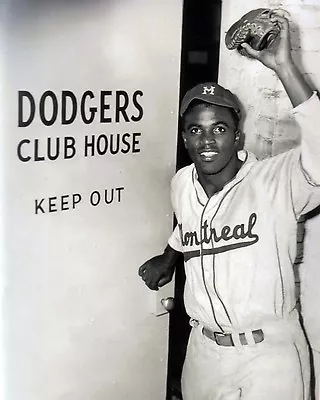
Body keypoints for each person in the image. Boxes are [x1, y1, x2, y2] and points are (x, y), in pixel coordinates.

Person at [138, 13, 320, 400]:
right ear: (185, 139)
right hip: (203, 351)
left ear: (237, 136)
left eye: (219, 128)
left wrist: (284, 66)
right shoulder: (182, 183)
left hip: (268, 355)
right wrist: (169, 258)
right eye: (196, 129)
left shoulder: (277, 181)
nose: (207, 140)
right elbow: (188, 225)